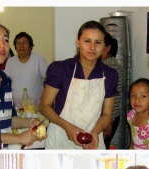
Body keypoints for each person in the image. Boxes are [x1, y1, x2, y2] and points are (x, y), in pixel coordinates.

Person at [39, 20, 118, 149]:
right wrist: (67, 126)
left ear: (104, 45)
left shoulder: (110, 74)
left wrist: (95, 132)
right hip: (60, 137)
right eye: (87, 41)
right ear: (78, 41)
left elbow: (107, 114)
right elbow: (44, 106)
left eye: (98, 42)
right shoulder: (61, 69)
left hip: (92, 140)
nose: (92, 47)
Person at [4, 32, 48, 108]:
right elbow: (6, 82)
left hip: (35, 107)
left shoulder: (38, 59)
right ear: (15, 46)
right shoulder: (10, 61)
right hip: (16, 107)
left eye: (24, 43)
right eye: (18, 43)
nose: (21, 46)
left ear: (30, 45)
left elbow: (48, 80)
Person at [101, 33, 124, 149]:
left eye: (99, 44)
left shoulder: (110, 67)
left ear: (108, 47)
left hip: (108, 117)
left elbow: (113, 96)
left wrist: (108, 121)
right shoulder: (103, 64)